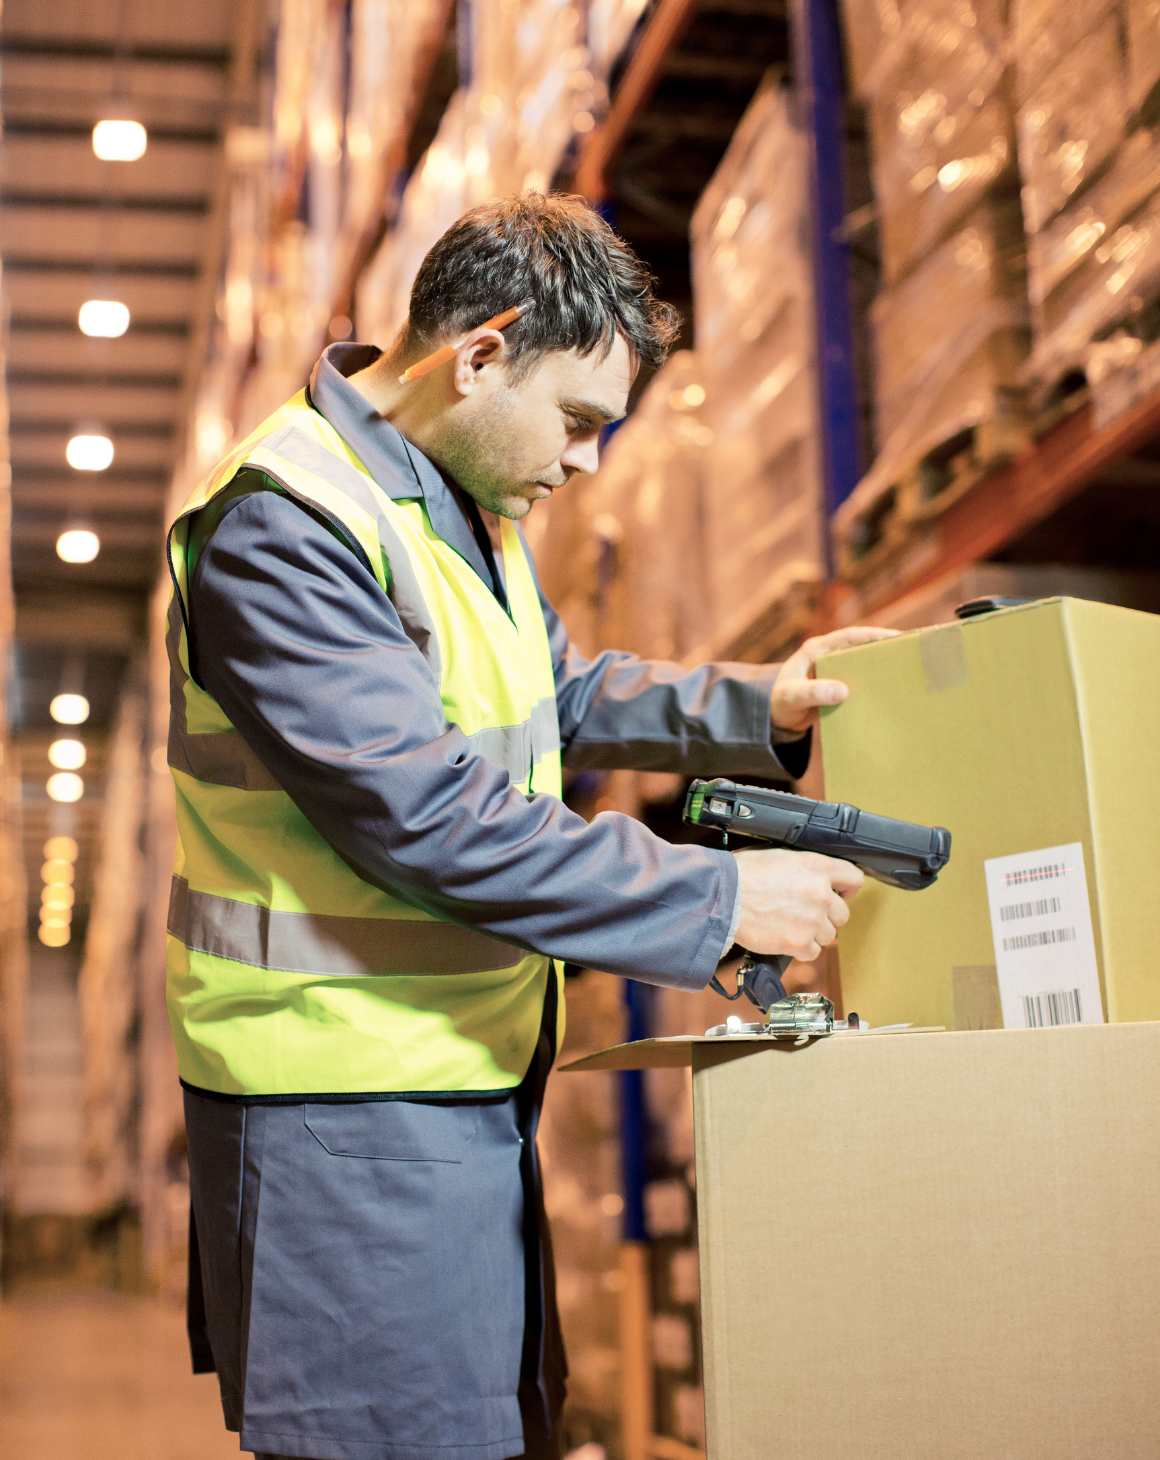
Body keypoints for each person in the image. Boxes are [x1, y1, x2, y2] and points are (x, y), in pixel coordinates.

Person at [168, 193, 890, 1460]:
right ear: (480, 352)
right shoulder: (283, 524)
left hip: (453, 1088)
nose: (586, 462)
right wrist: (716, 904)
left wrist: (754, 701)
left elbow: (551, 691)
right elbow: (431, 817)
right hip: (337, 1109)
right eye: (576, 421)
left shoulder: (459, 502)